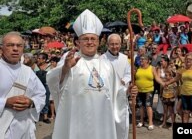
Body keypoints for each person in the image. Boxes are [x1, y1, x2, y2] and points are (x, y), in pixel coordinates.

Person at [46, 9, 138, 139]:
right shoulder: (71, 59)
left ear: (99, 42)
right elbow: (53, 81)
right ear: (78, 42)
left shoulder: (107, 65)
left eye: (93, 39)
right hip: (77, 119)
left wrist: (128, 91)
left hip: (102, 120)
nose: (90, 42)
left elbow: (116, 92)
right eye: (85, 39)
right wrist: (66, 68)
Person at [0, 32, 46, 139]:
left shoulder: (28, 72)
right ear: (1, 49)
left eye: (19, 45)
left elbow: (41, 95)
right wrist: (5, 102)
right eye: (10, 45)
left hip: (24, 129)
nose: (15, 49)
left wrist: (31, 103)